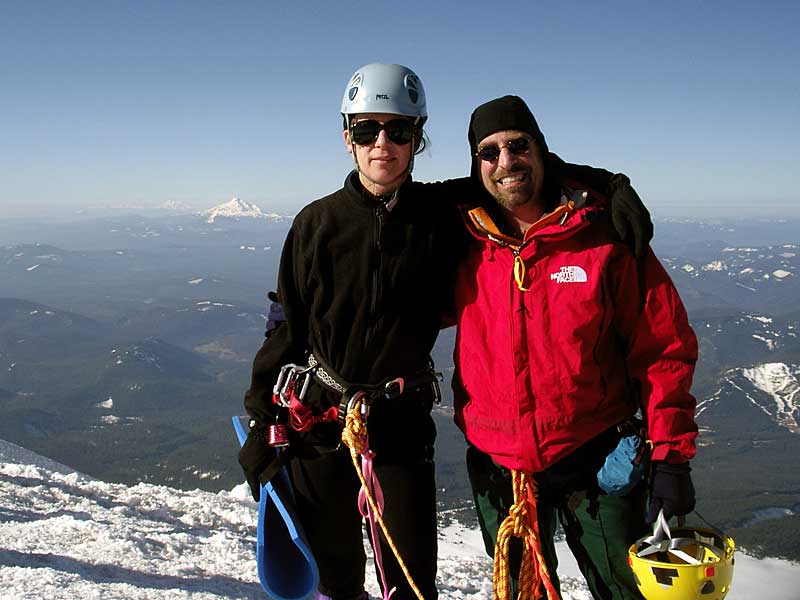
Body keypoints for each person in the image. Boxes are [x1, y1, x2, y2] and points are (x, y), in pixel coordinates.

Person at [238, 65, 653, 600]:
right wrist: (261, 421)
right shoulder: (315, 225)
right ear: (347, 139)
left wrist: (608, 185)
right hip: (318, 422)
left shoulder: (443, 213)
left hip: (398, 422)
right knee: (335, 574)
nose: (381, 143)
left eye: (399, 131)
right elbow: (287, 327)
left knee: (411, 583)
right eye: (367, 130)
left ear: (417, 139)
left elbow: (518, 173)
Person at [451, 95, 699, 600]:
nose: (505, 162)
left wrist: (672, 458)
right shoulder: (459, 240)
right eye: (489, 152)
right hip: (502, 466)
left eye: (518, 146)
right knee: (522, 592)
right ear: (476, 165)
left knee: (625, 590)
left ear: (541, 151)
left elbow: (662, 347)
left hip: (598, 454)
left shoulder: (602, 235)